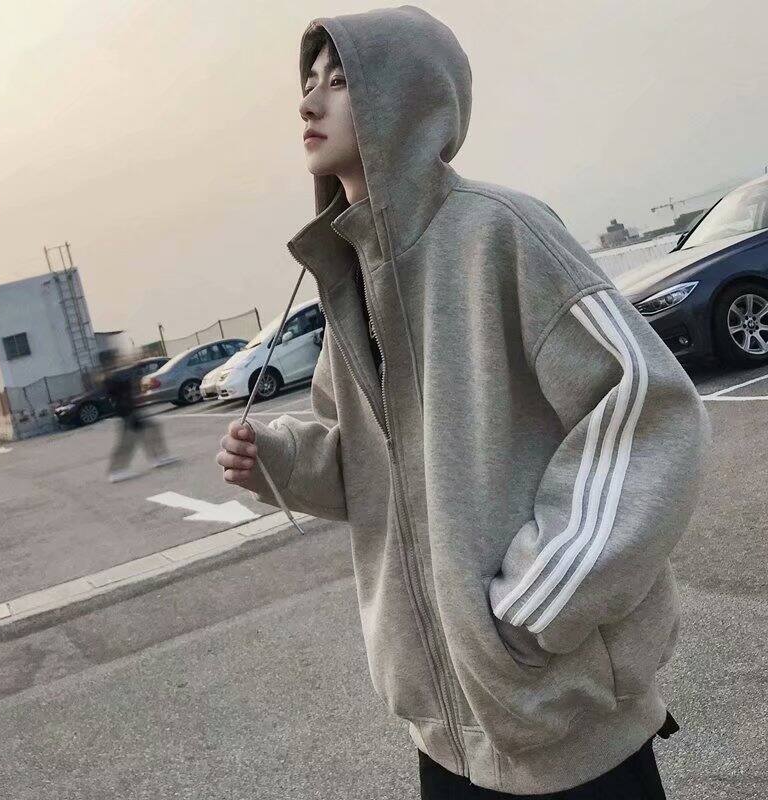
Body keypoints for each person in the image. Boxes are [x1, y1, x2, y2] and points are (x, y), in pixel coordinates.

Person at [216, 7, 710, 798]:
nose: (309, 102)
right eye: (308, 83)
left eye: (340, 82)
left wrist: (535, 602)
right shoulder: (351, 279)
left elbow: (649, 409)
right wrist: (279, 460)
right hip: (446, 739)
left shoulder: (499, 233)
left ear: (405, 95)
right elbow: (366, 464)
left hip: (569, 726)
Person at [105, 360, 178, 482]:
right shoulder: (113, 377)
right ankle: (116, 470)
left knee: (151, 428)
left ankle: (157, 457)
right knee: (128, 440)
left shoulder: (119, 375)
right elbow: (120, 387)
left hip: (130, 410)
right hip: (126, 411)